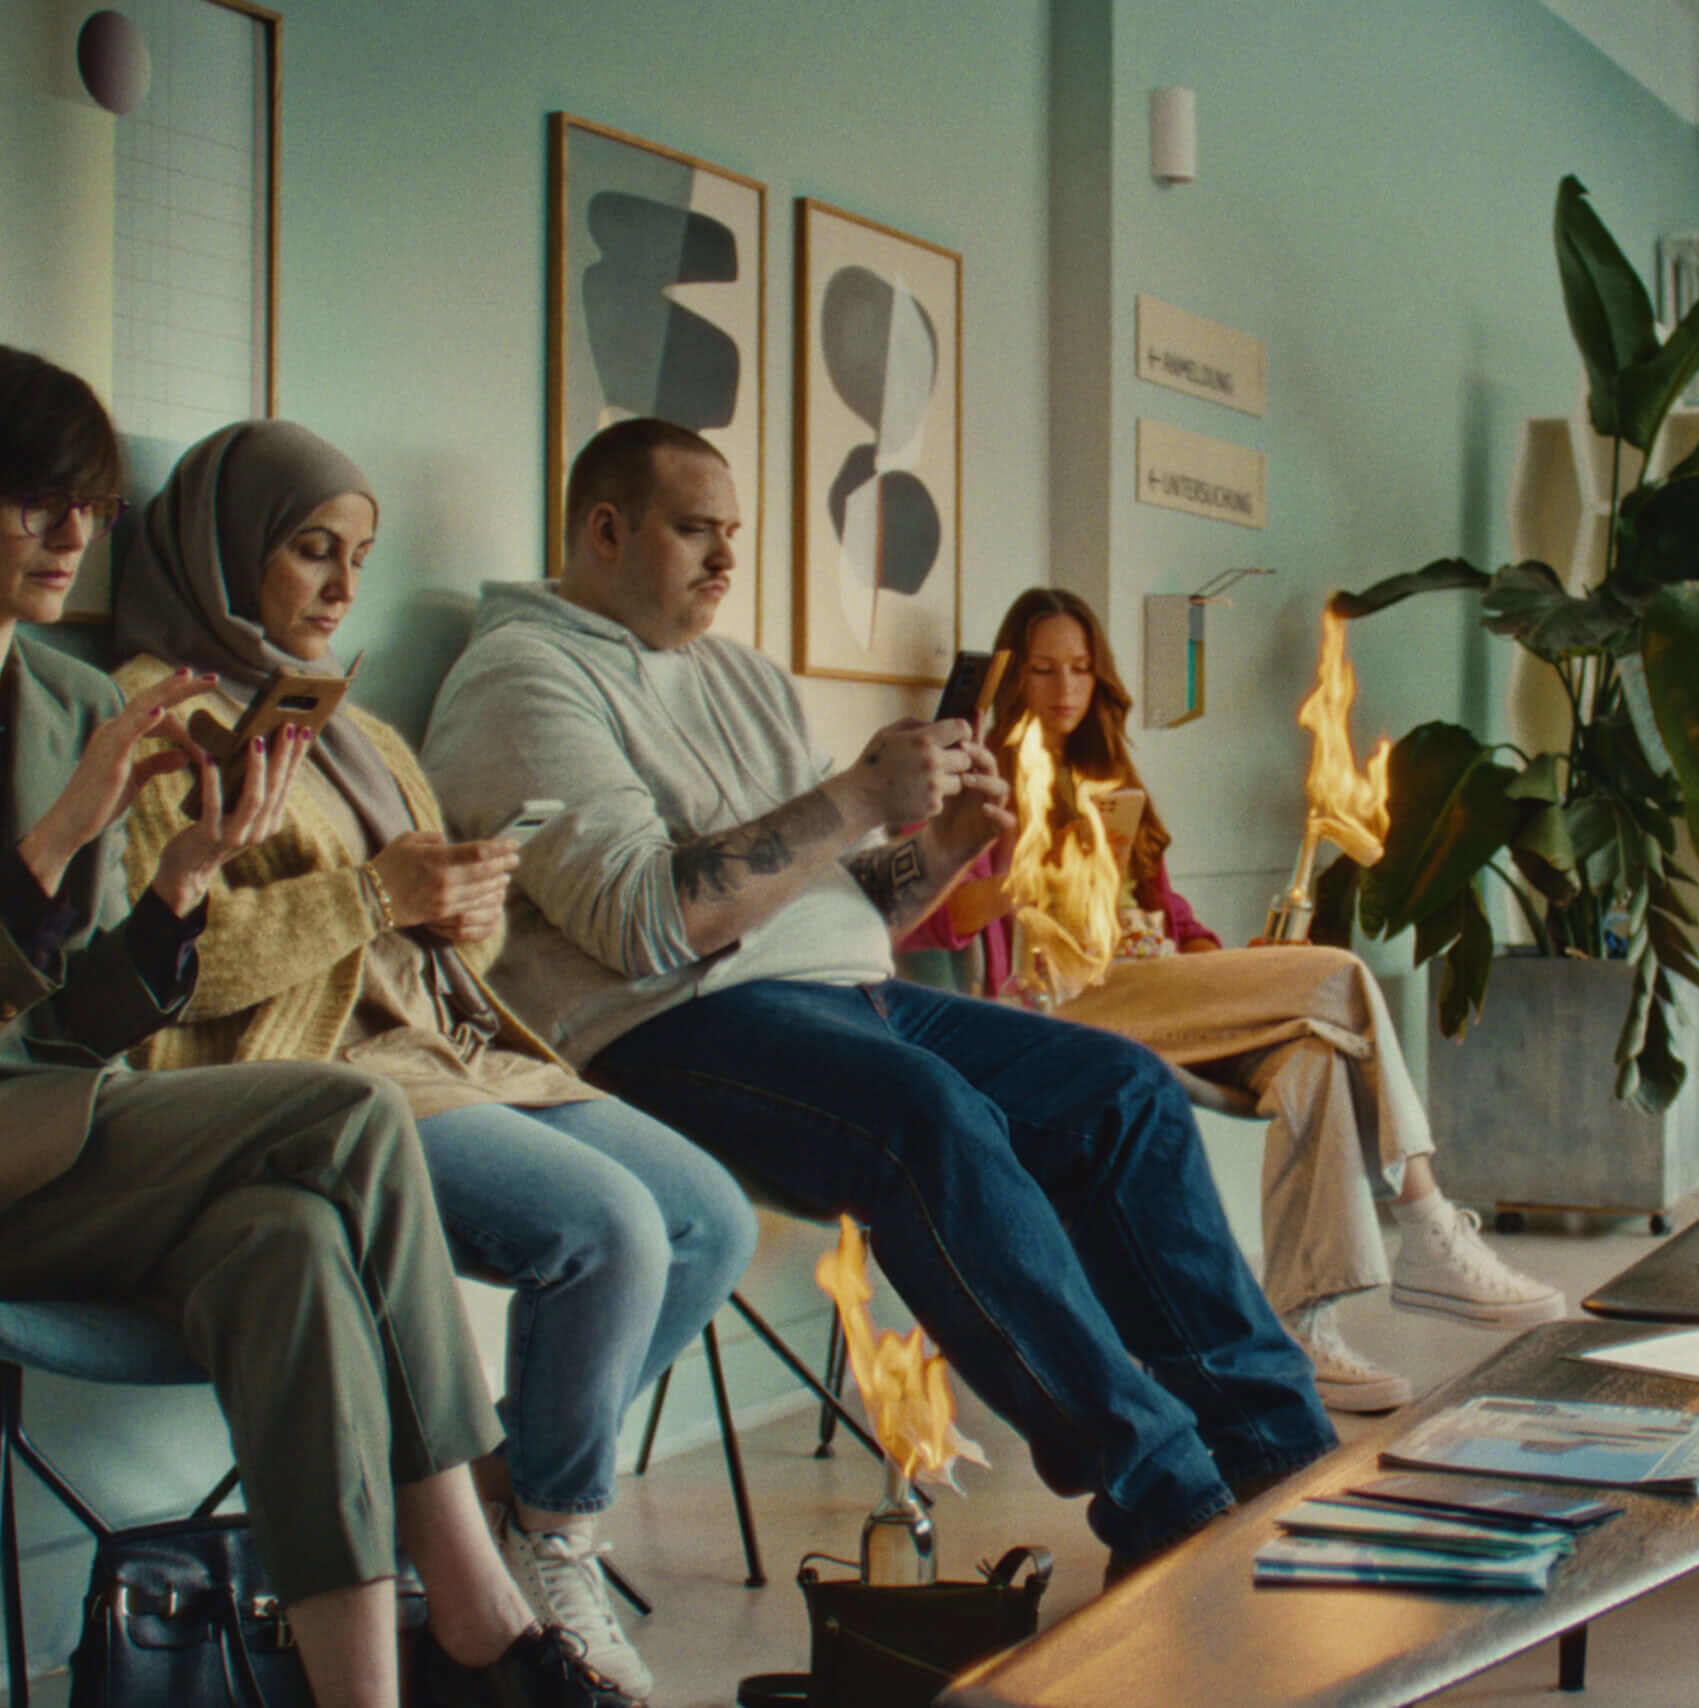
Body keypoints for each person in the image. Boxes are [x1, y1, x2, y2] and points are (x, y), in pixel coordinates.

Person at [419, 418, 1335, 1577]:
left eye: (733, 532)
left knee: (1123, 1088)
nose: (727, 558)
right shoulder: (521, 679)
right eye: (696, 530)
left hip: (846, 994)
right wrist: (856, 794)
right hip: (662, 1025)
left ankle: (1280, 1451)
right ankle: (1165, 1497)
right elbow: (650, 924)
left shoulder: (739, 676)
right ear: (604, 530)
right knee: (924, 1115)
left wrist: (944, 845)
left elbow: (839, 900)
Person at [0, 346, 633, 1707]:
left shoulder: (68, 703)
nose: (68, 536)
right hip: (8, 1157)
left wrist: (179, 881)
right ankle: (476, 1598)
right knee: (347, 1107)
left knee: (289, 1242)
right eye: (33, 500)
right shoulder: (104, 732)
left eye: (88, 506)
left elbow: (80, 1022)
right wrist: (53, 844)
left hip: (67, 1125)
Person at [108, 420, 755, 1699]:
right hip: (314, 1079)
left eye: (360, 557)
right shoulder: (154, 721)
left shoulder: (355, 729)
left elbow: (434, 932)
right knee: (611, 1230)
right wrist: (373, 896)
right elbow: (168, 976)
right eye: (312, 550)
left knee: (709, 1219)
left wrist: (465, 910)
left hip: (449, 1048)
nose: (344, 587)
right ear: (225, 548)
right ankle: (552, 1545)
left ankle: (491, 1498)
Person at [899, 588, 1563, 1413]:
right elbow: (927, 920)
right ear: (1014, 679)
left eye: (1079, 667)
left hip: (1154, 987)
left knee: (1313, 1053)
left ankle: (1303, 1326)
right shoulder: (983, 780)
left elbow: (1171, 917)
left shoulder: (1110, 776)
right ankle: (1425, 1219)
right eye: (1042, 669)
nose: (1064, 687)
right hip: (1059, 1007)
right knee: (1338, 976)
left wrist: (1223, 964)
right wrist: (1032, 877)